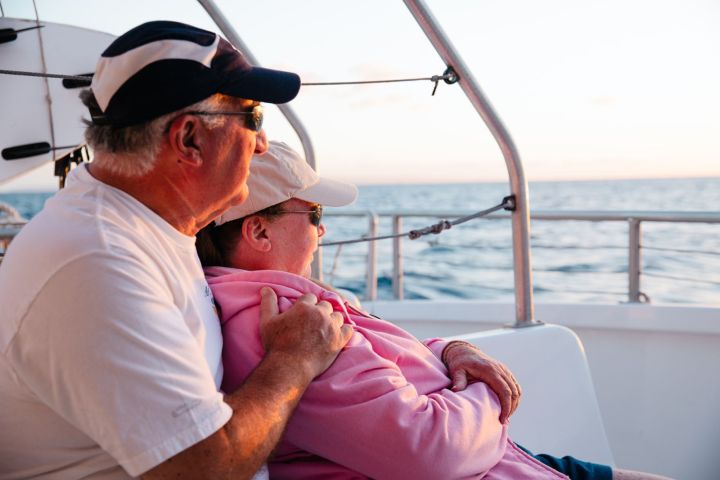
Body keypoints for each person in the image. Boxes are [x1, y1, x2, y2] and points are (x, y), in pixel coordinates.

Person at [196, 141, 672, 480]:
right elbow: (433, 455)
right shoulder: (290, 326)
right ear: (259, 233)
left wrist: (448, 351)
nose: (322, 232)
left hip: (499, 460)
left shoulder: (287, 307)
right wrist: (488, 392)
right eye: (315, 215)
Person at [0, 21, 352, 479]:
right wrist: (294, 359)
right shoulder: (97, 262)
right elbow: (205, 467)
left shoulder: (149, 226)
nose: (262, 143)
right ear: (189, 139)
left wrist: (445, 353)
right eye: (254, 118)